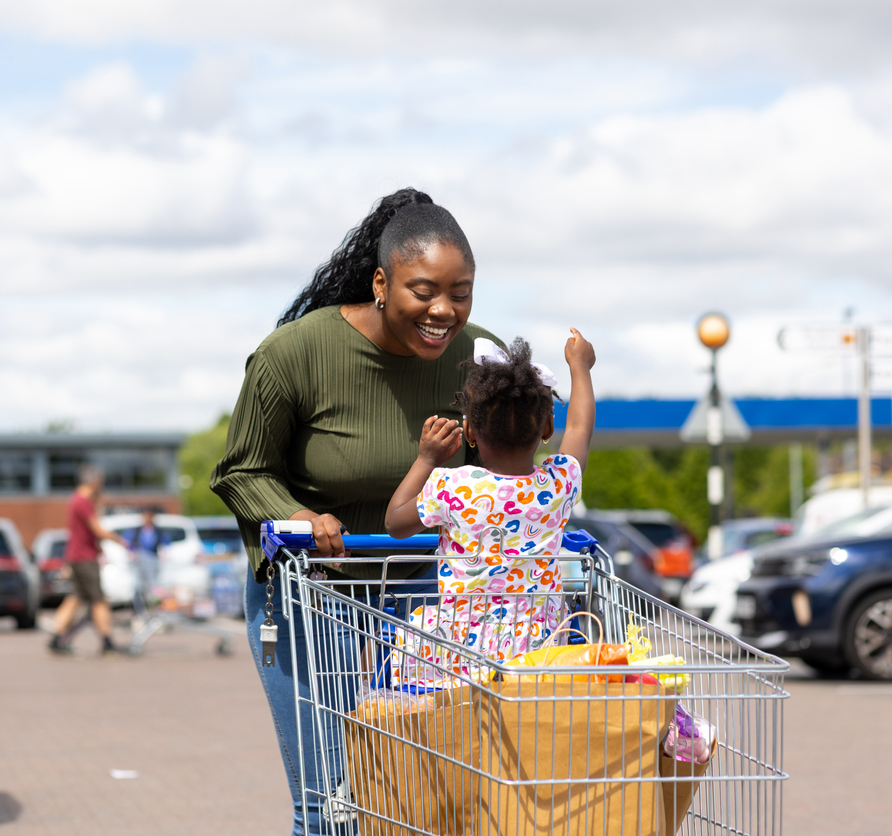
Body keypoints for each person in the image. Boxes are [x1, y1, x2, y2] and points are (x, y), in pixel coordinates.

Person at [210, 188, 501, 835]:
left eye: (461, 292)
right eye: (423, 290)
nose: (443, 311)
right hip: (319, 591)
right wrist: (299, 517)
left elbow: (517, 458)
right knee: (336, 802)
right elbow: (240, 471)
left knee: (444, 799)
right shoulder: (294, 352)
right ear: (380, 281)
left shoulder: (480, 357)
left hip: (433, 594)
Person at [383, 332, 597, 687]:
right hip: (536, 655)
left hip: (461, 655)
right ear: (546, 427)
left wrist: (427, 459)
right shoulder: (558, 483)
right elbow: (579, 429)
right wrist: (580, 367)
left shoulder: (452, 486)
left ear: (469, 430)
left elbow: (395, 522)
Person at [48, 464, 124, 655]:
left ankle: (56, 638)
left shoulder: (77, 499)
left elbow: (87, 532)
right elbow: (96, 528)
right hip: (84, 558)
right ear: (94, 481)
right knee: (99, 600)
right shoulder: (83, 501)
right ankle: (107, 641)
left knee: (76, 598)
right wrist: (119, 539)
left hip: (77, 556)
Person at [123, 507, 164, 617]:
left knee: (154, 588)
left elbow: (164, 544)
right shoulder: (136, 531)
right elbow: (128, 543)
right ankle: (139, 613)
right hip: (139, 565)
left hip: (153, 565)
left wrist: (163, 552)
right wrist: (132, 553)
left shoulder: (158, 531)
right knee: (139, 588)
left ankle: (155, 613)